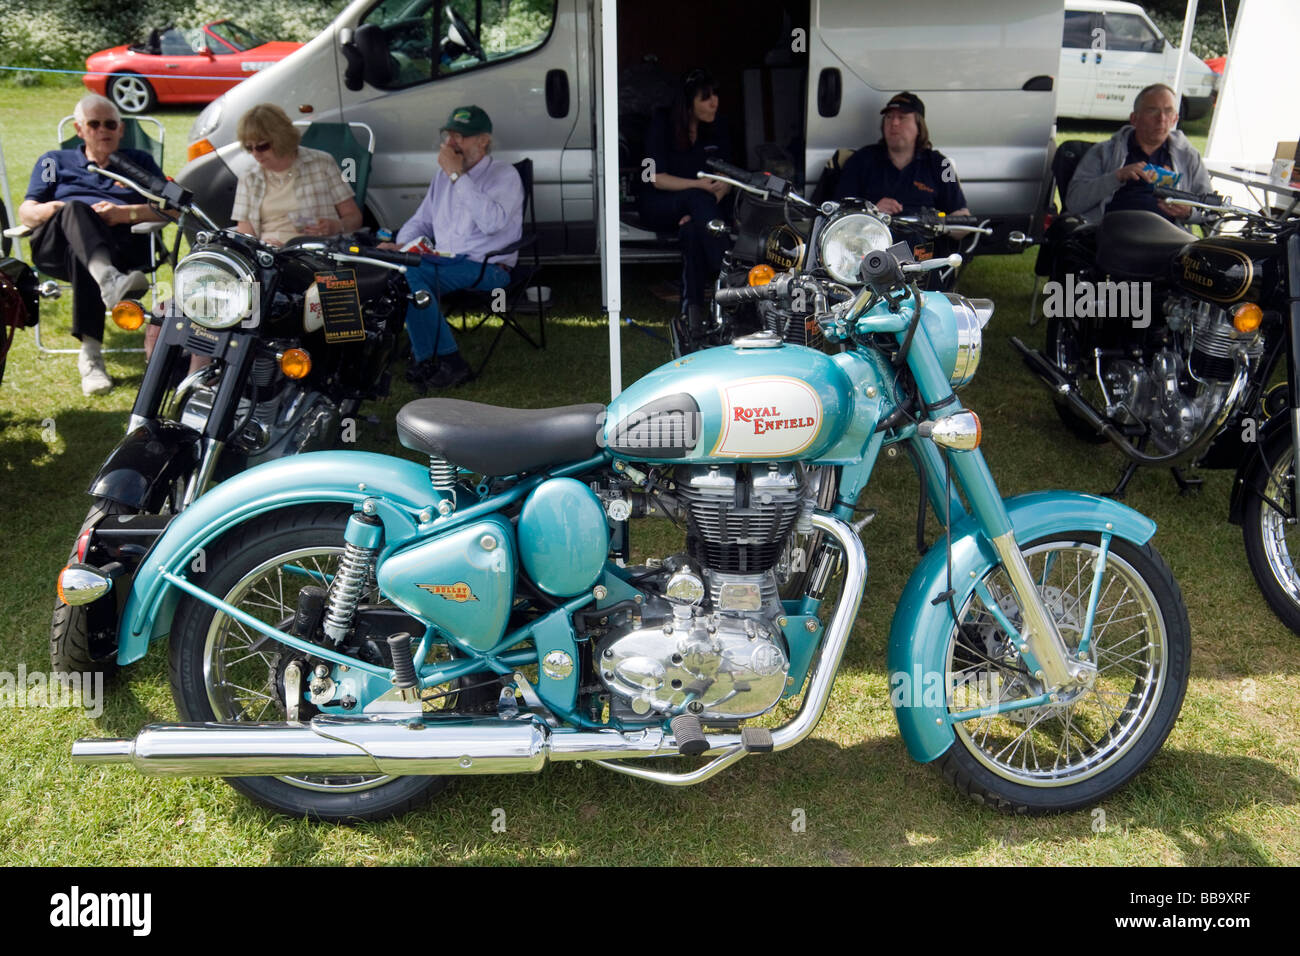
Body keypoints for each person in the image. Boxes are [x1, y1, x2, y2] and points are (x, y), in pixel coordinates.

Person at [19, 93, 167, 395]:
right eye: (94, 124)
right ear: (79, 130)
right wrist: (55, 209)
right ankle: (109, 281)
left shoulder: (138, 162)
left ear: (121, 130)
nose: (104, 130)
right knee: (75, 209)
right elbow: (27, 210)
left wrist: (124, 213)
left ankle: (91, 357)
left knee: (82, 253)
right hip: (56, 245)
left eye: (111, 124)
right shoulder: (53, 161)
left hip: (124, 244)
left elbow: (170, 208)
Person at [380, 105, 523, 391]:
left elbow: (492, 223)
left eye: (462, 137)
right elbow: (421, 220)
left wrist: (458, 176)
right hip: (444, 262)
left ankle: (447, 362)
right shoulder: (442, 176)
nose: (452, 143)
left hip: (488, 267)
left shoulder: (503, 175)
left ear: (483, 140)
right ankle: (424, 356)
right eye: (450, 135)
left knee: (408, 275)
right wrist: (401, 245)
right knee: (392, 267)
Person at [637, 68, 732, 320]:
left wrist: (710, 203)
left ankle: (692, 308)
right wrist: (700, 189)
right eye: (705, 98)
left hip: (699, 210)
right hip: (659, 204)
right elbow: (654, 178)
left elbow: (729, 176)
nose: (715, 103)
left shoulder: (717, 126)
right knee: (697, 198)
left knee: (692, 231)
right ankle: (728, 277)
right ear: (688, 104)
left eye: (716, 95)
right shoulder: (661, 124)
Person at [1066, 83, 1212, 225]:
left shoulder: (1188, 157)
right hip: (1113, 233)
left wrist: (1188, 213)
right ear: (1134, 118)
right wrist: (1117, 176)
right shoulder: (1105, 152)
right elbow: (1074, 202)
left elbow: (1211, 211)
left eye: (1168, 111)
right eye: (1152, 110)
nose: (1161, 119)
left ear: (1175, 119)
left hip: (1167, 239)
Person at [230, 104, 363, 246]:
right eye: (250, 148)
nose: (255, 153)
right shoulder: (249, 177)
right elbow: (245, 234)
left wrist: (336, 226)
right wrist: (262, 248)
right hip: (268, 253)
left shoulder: (321, 163)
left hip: (314, 250)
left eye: (262, 146)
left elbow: (354, 217)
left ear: (281, 138)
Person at [834, 91, 970, 217]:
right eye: (889, 117)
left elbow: (961, 214)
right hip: (874, 239)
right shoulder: (860, 160)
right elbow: (839, 211)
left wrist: (943, 222)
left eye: (902, 117)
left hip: (926, 241)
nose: (894, 123)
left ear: (919, 126)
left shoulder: (942, 164)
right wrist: (871, 210)